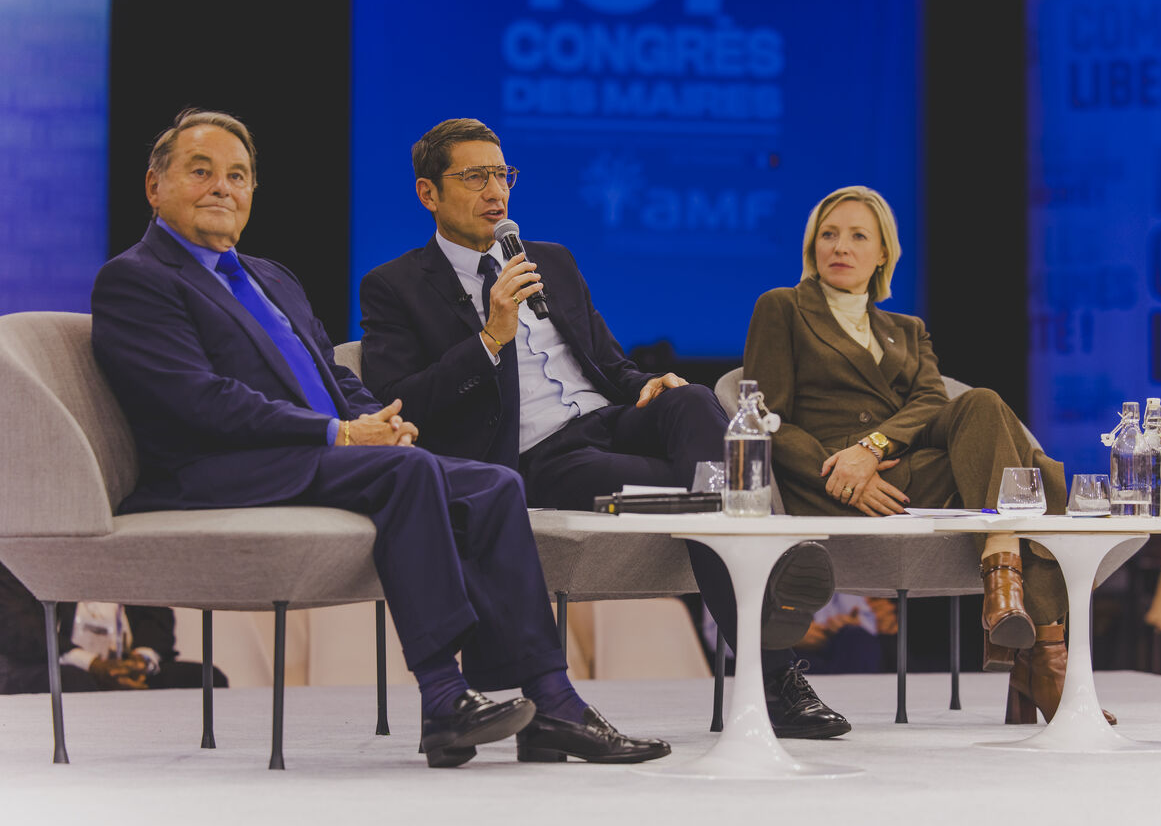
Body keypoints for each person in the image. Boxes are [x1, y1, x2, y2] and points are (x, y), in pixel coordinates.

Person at [89, 108, 667, 767]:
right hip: (218, 466)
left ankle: (550, 703)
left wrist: (383, 422)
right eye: (201, 171)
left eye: (238, 175)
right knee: (409, 473)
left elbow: (334, 375)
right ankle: (443, 698)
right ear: (154, 186)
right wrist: (338, 432)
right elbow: (199, 400)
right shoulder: (137, 278)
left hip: (310, 453)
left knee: (493, 483)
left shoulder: (271, 277)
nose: (223, 186)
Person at [359, 118, 847, 739]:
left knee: (693, 402)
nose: (496, 191)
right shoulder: (395, 286)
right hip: (537, 456)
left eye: (503, 175)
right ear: (428, 193)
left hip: (611, 420)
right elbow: (399, 405)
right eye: (475, 177)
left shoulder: (552, 261)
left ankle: (753, 568)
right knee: (708, 492)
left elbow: (610, 365)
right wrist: (489, 338)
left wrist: (647, 384)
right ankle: (773, 659)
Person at [742, 185, 1113, 725]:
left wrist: (872, 448)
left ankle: (1008, 581)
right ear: (811, 246)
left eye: (858, 236)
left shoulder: (907, 330)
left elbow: (932, 402)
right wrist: (844, 468)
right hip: (833, 482)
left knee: (983, 403)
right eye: (829, 234)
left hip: (899, 470)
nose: (840, 247)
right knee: (1027, 483)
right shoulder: (782, 307)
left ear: (882, 254)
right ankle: (1040, 656)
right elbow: (765, 417)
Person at [0, 561, 226, 693]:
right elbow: (20, 630)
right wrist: (93, 665)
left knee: (208, 677)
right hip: (56, 664)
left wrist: (142, 660)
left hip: (126, 664)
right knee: (77, 682)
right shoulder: (23, 559)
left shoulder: (130, 559)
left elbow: (157, 619)